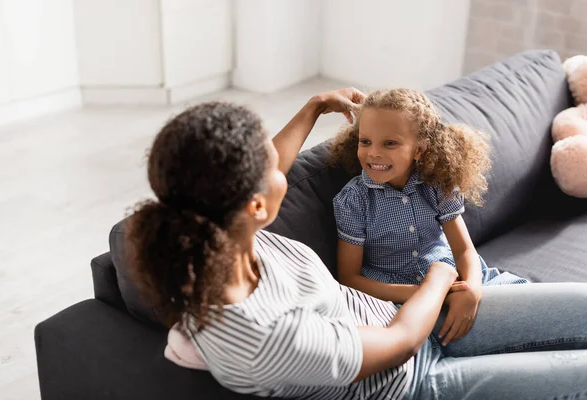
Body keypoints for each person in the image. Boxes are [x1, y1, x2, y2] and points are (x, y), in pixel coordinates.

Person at [126, 88, 587, 400]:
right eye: (269, 164)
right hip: (414, 377)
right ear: (256, 205)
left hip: (417, 315)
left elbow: (270, 167)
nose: (280, 163)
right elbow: (402, 342)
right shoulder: (265, 337)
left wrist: (314, 107)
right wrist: (442, 276)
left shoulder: (224, 236)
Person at [331, 88, 529, 346]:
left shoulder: (437, 185)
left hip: (458, 280)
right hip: (402, 297)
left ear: (419, 149)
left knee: (534, 304)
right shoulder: (353, 200)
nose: (373, 153)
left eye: (389, 143)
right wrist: (429, 294)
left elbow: (463, 250)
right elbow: (349, 278)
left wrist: (471, 290)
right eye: (365, 141)